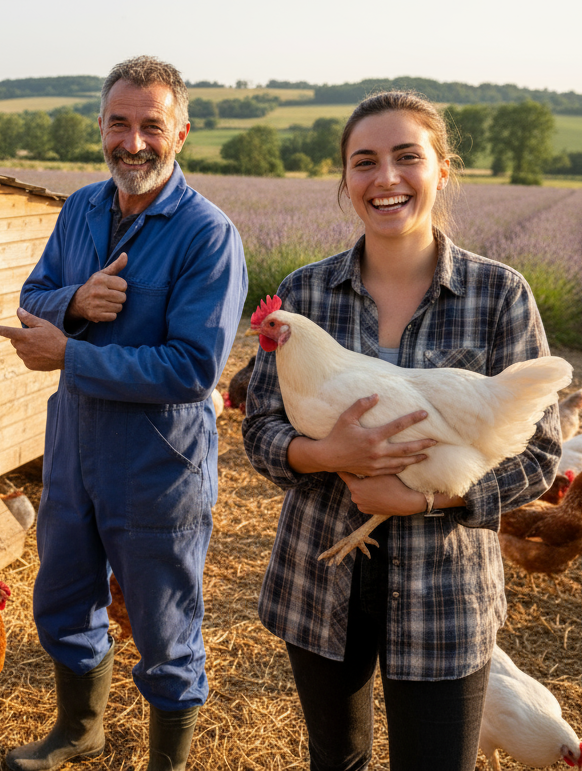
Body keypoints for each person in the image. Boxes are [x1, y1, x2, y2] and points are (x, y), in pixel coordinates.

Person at [241, 90, 562, 771]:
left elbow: (540, 456)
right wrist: (325, 453)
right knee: (338, 762)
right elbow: (260, 431)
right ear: (346, 182)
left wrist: (421, 498)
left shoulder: (498, 294)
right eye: (364, 162)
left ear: (442, 170)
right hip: (319, 579)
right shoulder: (304, 294)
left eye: (405, 157)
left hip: (445, 594)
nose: (385, 178)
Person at [0, 55, 247, 771]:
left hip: (156, 460)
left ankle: (167, 761)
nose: (132, 143)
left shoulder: (207, 235)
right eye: (119, 124)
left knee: (164, 626)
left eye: (151, 126)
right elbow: (33, 296)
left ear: (182, 133)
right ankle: (81, 730)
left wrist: (71, 354)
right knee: (65, 598)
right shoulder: (80, 209)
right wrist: (73, 303)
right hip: (73, 447)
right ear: (99, 127)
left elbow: (193, 368)